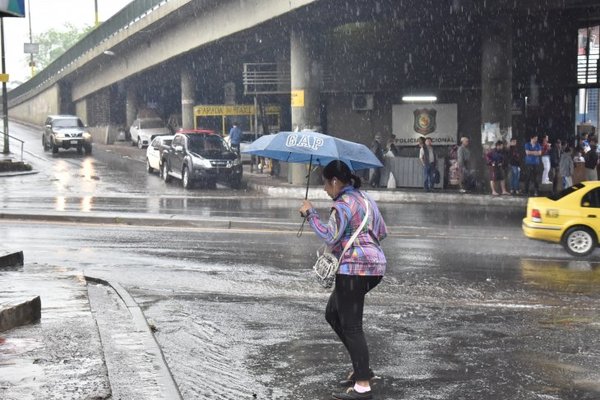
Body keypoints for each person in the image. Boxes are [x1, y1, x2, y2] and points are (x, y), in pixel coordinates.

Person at [299, 160, 387, 400]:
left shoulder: (343, 204)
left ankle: (362, 386)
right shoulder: (366, 199)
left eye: (326, 185)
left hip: (353, 270)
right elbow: (381, 231)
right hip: (375, 266)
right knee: (333, 313)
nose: (326, 190)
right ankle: (362, 369)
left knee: (352, 325)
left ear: (336, 182)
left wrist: (310, 214)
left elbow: (330, 236)